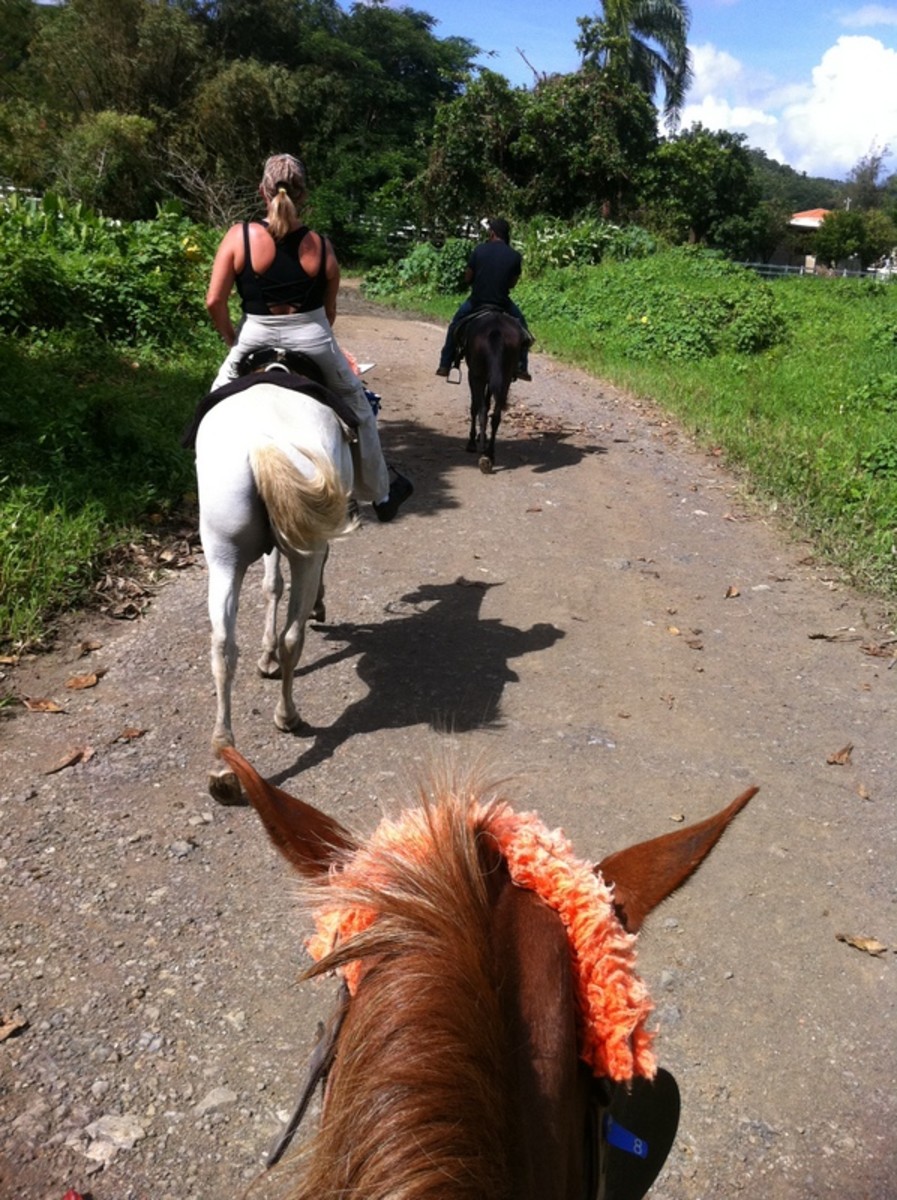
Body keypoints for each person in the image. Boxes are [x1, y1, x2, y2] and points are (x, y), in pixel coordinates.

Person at [205, 152, 412, 522]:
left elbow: (214, 300)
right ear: (303, 196)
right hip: (312, 337)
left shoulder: (240, 237)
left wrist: (232, 339)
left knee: (211, 409)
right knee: (360, 410)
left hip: (254, 334)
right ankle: (381, 494)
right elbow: (329, 314)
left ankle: (210, 493)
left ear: (262, 191)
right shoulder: (321, 246)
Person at [436, 217, 531, 380]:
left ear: (492, 233)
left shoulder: (479, 250)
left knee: (454, 325)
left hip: (476, 302)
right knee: (523, 331)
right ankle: (521, 366)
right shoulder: (515, 256)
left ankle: (445, 364)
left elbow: (468, 277)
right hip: (502, 304)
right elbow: (512, 284)